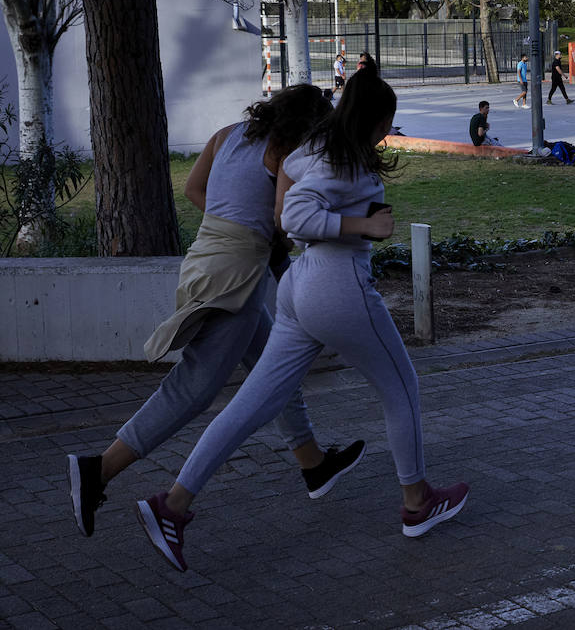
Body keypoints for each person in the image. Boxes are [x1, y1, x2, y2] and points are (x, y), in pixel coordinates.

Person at [136, 67, 470, 572]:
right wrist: (366, 225)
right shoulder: (346, 164)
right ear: (375, 118)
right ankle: (418, 501)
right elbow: (295, 217)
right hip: (339, 286)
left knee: (249, 406)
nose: (388, 130)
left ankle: (173, 504)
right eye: (388, 120)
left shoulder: (314, 148)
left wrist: (291, 205)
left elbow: (286, 170)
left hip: (297, 289)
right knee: (402, 388)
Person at [66, 85, 363, 539]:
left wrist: (234, 225)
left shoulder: (227, 135)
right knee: (193, 389)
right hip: (236, 282)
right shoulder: (285, 151)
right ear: (306, 126)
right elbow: (289, 220)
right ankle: (100, 470)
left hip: (206, 261)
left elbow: (193, 188)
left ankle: (314, 465)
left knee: (275, 369)